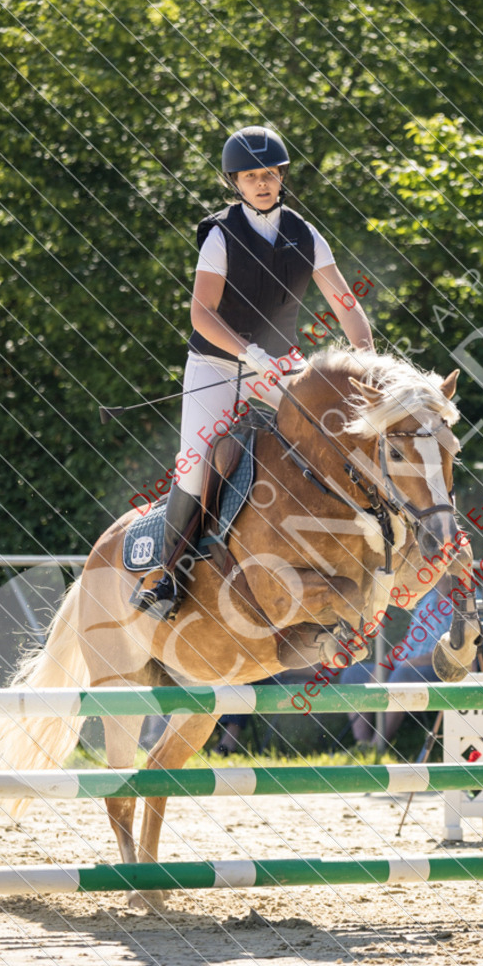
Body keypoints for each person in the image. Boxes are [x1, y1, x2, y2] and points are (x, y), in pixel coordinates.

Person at [138, 125, 374, 612]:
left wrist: (367, 358)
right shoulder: (220, 236)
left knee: (332, 436)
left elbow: (345, 303)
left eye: (269, 174)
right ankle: (166, 574)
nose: (262, 184)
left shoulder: (305, 234)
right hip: (216, 364)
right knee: (195, 462)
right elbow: (201, 312)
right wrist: (248, 353)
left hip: (280, 367)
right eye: (251, 177)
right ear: (235, 183)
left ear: (281, 176)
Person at [341, 579, 467, 746]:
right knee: (353, 675)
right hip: (404, 664)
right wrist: (386, 661)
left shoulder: (467, 602)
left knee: (402, 677)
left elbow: (461, 652)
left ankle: (378, 745)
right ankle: (363, 745)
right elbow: (410, 639)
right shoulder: (428, 598)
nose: (443, 572)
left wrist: (413, 662)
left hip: (436, 669)